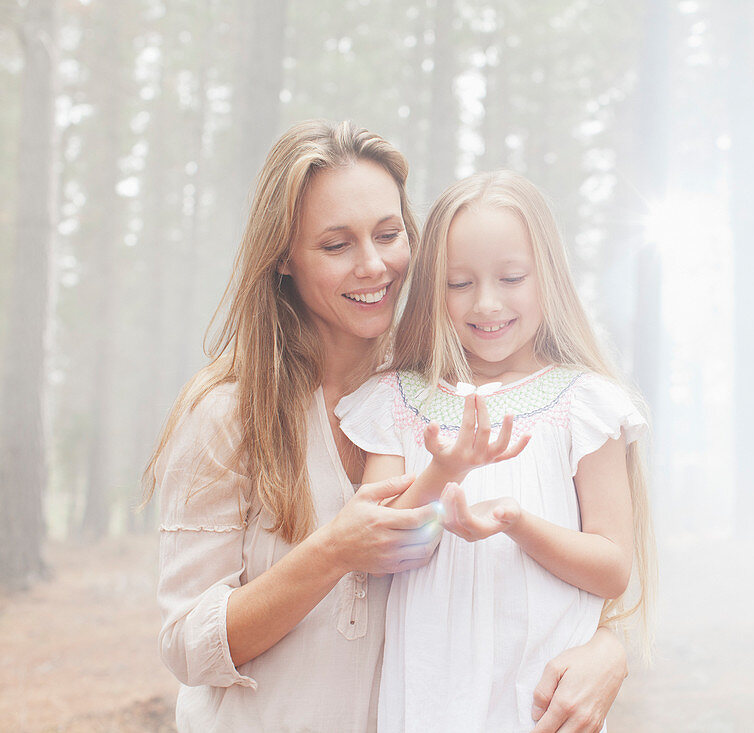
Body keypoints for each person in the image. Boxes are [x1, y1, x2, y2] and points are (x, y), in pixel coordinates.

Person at [145, 121, 630, 732]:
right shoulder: (228, 414)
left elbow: (547, 566)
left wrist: (609, 648)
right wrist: (329, 553)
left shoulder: (436, 398)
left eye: (388, 233)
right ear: (283, 260)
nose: (373, 266)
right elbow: (187, 646)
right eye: (335, 245)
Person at [335, 170, 656, 732]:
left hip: (540, 702)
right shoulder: (397, 402)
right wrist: (445, 468)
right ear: (433, 287)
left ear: (547, 277)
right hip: (429, 700)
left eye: (511, 277)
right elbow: (374, 549)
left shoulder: (584, 405)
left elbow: (612, 570)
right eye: (460, 283)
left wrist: (516, 522)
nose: (487, 303)